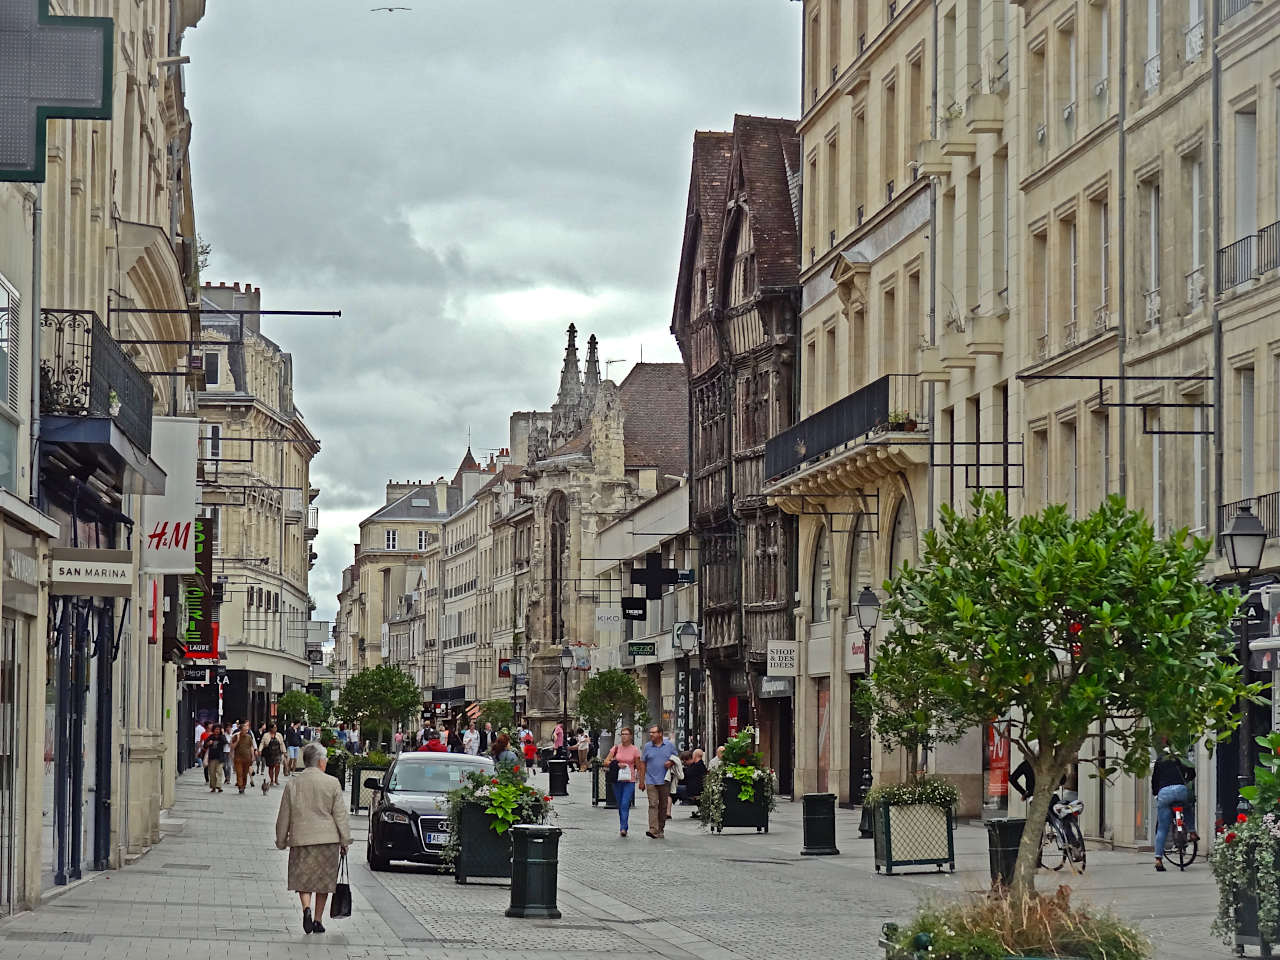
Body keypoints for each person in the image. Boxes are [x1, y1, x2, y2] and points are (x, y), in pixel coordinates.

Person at [275, 742, 352, 936]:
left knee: (303, 878)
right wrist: (345, 840)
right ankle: (318, 920)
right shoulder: (332, 783)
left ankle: (306, 908)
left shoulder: (293, 783)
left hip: (301, 839)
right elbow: (340, 815)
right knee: (323, 881)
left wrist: (281, 840)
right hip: (328, 840)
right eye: (324, 759)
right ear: (320, 762)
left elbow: (284, 814)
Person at [1152, 744, 1198, 872]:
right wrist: (1185, 781)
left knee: (1162, 828)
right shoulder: (1180, 758)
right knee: (1187, 807)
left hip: (1165, 792)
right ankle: (1192, 831)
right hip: (1180, 790)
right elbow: (1192, 773)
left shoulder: (1160, 760)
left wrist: (1156, 793)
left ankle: (1158, 859)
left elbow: (1155, 779)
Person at [638, 724, 678, 839]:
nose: (651, 735)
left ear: (660, 734)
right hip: (651, 780)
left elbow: (676, 759)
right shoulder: (647, 747)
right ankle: (653, 829)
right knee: (653, 804)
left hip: (665, 780)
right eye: (650, 732)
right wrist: (641, 781)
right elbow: (643, 763)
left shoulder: (669, 746)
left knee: (663, 806)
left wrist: (671, 762)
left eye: (653, 732)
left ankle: (660, 828)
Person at [604, 726, 641, 837]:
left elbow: (638, 765)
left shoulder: (635, 750)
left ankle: (623, 828)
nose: (624, 736)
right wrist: (616, 763)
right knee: (620, 803)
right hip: (617, 779)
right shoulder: (616, 748)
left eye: (626, 734)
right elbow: (606, 761)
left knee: (625, 803)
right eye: (622, 734)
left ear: (630, 736)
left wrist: (641, 778)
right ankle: (623, 823)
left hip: (629, 780)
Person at [231, 721, 257, 794]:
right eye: (245, 730)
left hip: (247, 758)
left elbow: (251, 747)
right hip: (238, 758)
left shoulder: (249, 737)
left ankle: (243, 786)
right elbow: (232, 747)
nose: (246, 731)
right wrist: (238, 740)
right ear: (241, 730)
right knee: (239, 773)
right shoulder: (236, 736)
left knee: (245, 773)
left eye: (247, 730)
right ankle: (240, 786)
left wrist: (253, 756)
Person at [200, 724, 228, 792]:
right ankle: (213, 787)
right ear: (213, 730)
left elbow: (225, 742)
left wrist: (223, 734)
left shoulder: (221, 737)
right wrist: (208, 744)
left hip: (220, 757)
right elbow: (205, 746)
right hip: (212, 757)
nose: (217, 731)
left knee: (219, 771)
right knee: (212, 773)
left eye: (218, 729)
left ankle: (219, 786)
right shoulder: (210, 737)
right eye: (216, 729)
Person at [681, 749, 707, 816]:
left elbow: (686, 775)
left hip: (694, 790)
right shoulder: (699, 765)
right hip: (695, 789)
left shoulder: (697, 765)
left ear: (695, 756)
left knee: (674, 791)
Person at [261, 723, 286, 790]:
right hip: (269, 753)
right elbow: (262, 743)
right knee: (271, 767)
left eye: (276, 727)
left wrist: (284, 751)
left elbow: (282, 743)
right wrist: (259, 750)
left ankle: (276, 779)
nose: (275, 729)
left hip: (277, 752)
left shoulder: (279, 735)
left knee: (277, 765)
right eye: (274, 728)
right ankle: (271, 779)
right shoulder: (266, 735)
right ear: (271, 728)